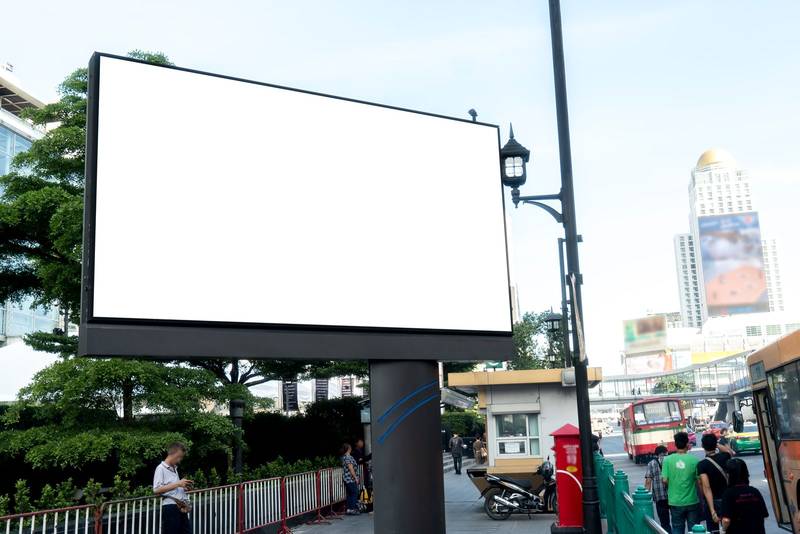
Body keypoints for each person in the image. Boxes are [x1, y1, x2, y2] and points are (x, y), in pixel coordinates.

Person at [661, 432, 701, 534]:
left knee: (677, 528)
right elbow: (699, 481)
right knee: (694, 529)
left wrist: (673, 485)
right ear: (687, 444)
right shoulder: (694, 460)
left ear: (675, 444)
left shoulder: (667, 460)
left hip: (675, 501)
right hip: (692, 501)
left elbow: (664, 480)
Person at [719, 458, 768, 534]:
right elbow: (764, 515)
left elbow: (726, 520)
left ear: (729, 475)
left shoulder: (728, 494)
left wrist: (723, 530)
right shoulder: (755, 491)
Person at [153, 442, 193, 534]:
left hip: (180, 506)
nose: (180, 460)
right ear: (173, 454)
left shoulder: (174, 468)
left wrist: (183, 488)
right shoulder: (160, 468)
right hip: (170, 507)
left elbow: (172, 486)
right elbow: (156, 489)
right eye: (179, 457)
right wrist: (178, 484)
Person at [697, 433, 731, 533]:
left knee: (714, 530)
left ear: (702, 446)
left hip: (713, 502)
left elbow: (706, 488)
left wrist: (712, 511)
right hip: (727, 499)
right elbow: (729, 451)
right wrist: (716, 444)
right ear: (715, 445)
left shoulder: (702, 465)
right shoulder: (725, 457)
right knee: (729, 528)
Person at [644, 445, 671, 531]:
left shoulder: (651, 463)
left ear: (656, 454)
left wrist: (646, 497)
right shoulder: (671, 461)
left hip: (659, 497)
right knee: (676, 521)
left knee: (664, 522)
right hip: (673, 495)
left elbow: (648, 482)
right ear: (666, 452)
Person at [340, 443, 360, 515]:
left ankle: (349, 509)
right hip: (350, 478)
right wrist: (356, 478)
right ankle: (352, 508)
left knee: (349, 493)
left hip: (346, 478)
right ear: (349, 449)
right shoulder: (348, 457)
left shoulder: (344, 457)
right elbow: (351, 468)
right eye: (350, 448)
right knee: (354, 492)